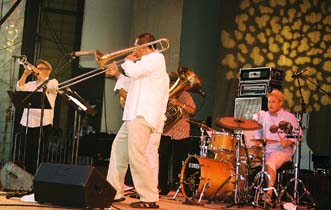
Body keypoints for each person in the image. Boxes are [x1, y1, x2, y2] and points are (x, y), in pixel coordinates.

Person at [105, 32, 169, 208]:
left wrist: (127, 60)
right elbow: (131, 83)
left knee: (137, 156)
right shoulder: (144, 66)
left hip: (142, 115)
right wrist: (118, 73)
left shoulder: (156, 58)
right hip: (133, 116)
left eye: (136, 48)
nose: (135, 51)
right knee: (118, 151)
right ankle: (114, 190)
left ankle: (149, 197)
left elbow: (133, 71)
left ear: (144, 46)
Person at [253, 89, 301, 205]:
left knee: (270, 163)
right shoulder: (263, 116)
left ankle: (268, 195)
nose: (270, 104)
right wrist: (257, 144)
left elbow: (298, 134)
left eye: (273, 102)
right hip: (266, 150)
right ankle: (246, 193)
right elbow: (258, 134)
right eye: (269, 102)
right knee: (247, 160)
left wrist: (288, 141)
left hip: (282, 151)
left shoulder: (289, 116)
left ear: (281, 103)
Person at [16, 59, 58, 175]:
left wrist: (39, 74)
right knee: (25, 153)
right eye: (37, 68)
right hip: (26, 122)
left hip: (43, 124)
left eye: (40, 68)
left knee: (40, 154)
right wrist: (25, 74)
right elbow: (19, 88)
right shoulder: (31, 85)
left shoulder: (53, 82)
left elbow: (49, 86)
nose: (36, 70)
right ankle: (26, 178)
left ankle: (38, 179)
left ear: (48, 71)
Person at [158, 71, 196, 195]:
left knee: (179, 161)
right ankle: (162, 186)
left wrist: (179, 103)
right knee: (163, 160)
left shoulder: (185, 95)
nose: (170, 86)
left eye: (172, 83)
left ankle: (179, 186)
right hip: (166, 131)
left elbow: (192, 110)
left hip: (181, 133)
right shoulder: (163, 94)